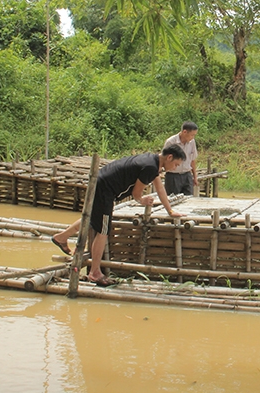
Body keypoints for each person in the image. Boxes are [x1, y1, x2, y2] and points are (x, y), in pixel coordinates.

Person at [51, 144, 187, 286]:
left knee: (94, 218)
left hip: (102, 183)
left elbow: (159, 188)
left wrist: (170, 211)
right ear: (169, 157)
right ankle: (95, 272)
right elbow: (136, 194)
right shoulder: (150, 167)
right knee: (103, 230)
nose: (176, 168)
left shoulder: (152, 161)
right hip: (105, 189)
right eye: (176, 164)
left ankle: (61, 237)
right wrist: (142, 200)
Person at [163, 121, 199, 196]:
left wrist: (195, 177)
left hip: (187, 175)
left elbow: (192, 160)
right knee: (173, 200)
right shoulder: (171, 142)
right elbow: (164, 160)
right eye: (192, 135)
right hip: (173, 176)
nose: (193, 137)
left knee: (189, 200)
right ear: (184, 132)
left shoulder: (192, 142)